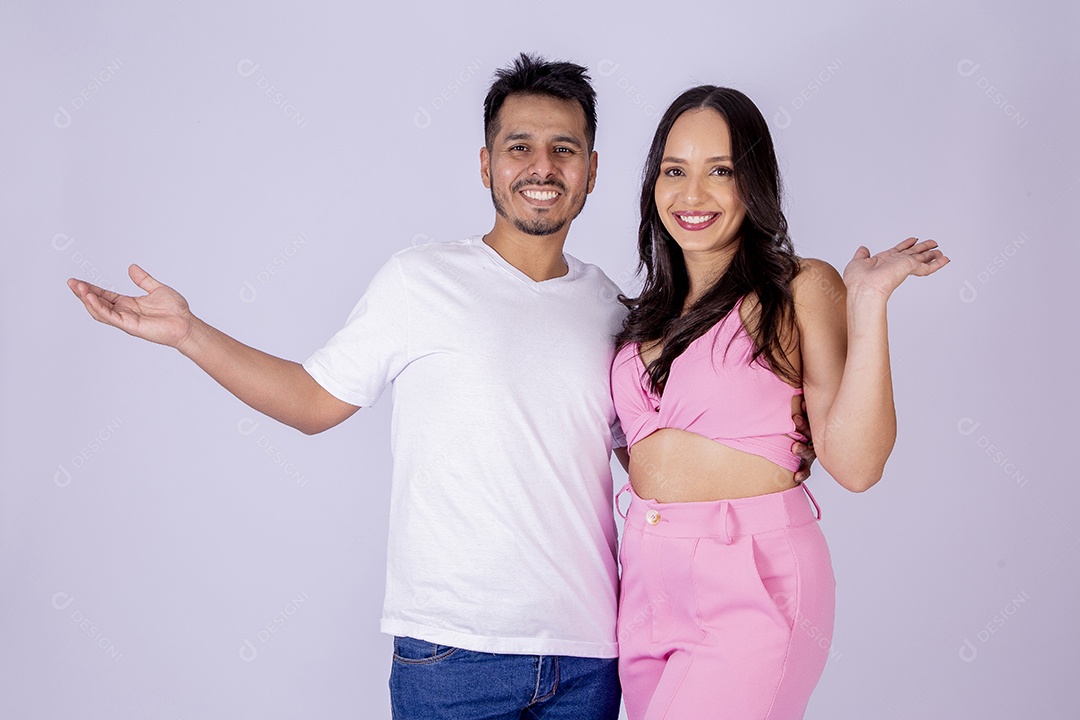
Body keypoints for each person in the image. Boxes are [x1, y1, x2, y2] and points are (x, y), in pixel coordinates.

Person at [66, 55, 814, 718]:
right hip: (452, 656)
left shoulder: (618, 313)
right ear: (486, 165)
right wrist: (189, 333)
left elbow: (658, 463)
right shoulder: (419, 280)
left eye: (564, 149)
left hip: (592, 652)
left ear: (592, 170)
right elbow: (311, 400)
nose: (542, 166)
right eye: (519, 147)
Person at [610, 86, 948, 719]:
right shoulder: (643, 316)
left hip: (750, 577)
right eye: (674, 171)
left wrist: (867, 302)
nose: (692, 195)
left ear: (755, 184)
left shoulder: (799, 287)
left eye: (722, 171)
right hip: (645, 584)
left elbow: (856, 464)